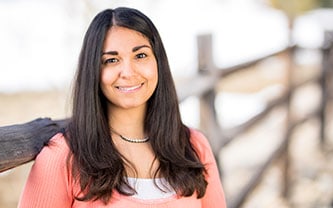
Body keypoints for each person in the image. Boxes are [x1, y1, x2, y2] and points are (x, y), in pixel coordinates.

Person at [18, 7, 226, 208]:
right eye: (111, 60)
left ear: (158, 62)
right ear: (94, 71)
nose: (128, 72)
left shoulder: (194, 146)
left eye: (141, 55)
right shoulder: (63, 156)